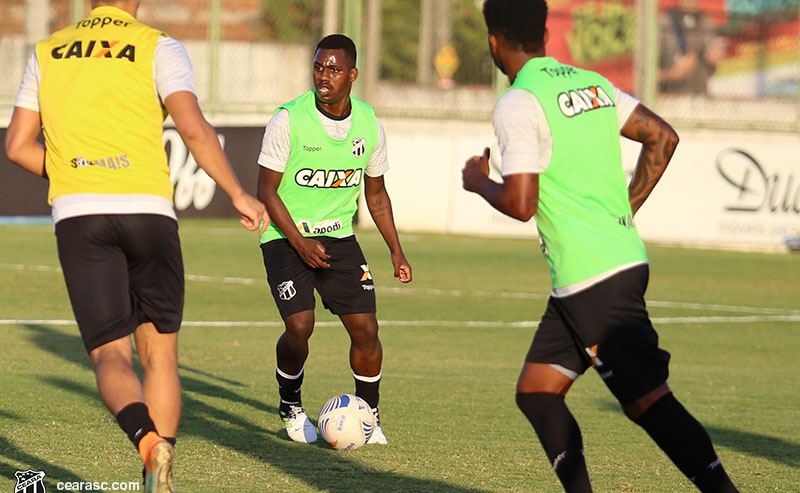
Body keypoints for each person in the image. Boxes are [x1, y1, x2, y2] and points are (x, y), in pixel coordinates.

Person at [462, 1, 738, 492]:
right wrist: (623, 213)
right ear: (546, 32)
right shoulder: (589, 84)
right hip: (606, 266)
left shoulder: (520, 101)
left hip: (593, 280)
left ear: (493, 40)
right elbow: (662, 137)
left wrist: (480, 181)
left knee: (648, 402)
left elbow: (522, 202)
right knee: (537, 392)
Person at [4, 1, 269, 491]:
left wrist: (73, 172)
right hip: (148, 210)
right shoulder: (157, 46)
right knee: (161, 357)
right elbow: (194, 128)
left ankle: (149, 444)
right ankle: (156, 480)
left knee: (111, 356)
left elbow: (18, 145)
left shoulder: (48, 51)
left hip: (81, 214)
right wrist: (237, 193)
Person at [257, 34, 412, 446]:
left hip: (339, 239)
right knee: (300, 325)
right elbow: (267, 192)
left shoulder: (368, 124)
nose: (324, 76)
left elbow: (375, 195)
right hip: (285, 235)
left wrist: (396, 250)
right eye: (319, 67)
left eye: (334, 69)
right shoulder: (288, 119)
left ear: (352, 75)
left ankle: (369, 416)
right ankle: (291, 406)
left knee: (366, 329)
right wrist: (301, 243)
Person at [659, 0, 725, 95]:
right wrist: (672, 74)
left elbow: (712, 66)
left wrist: (714, 60)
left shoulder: (707, 23)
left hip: (700, 98)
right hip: (670, 99)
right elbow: (644, 76)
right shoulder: (663, 23)